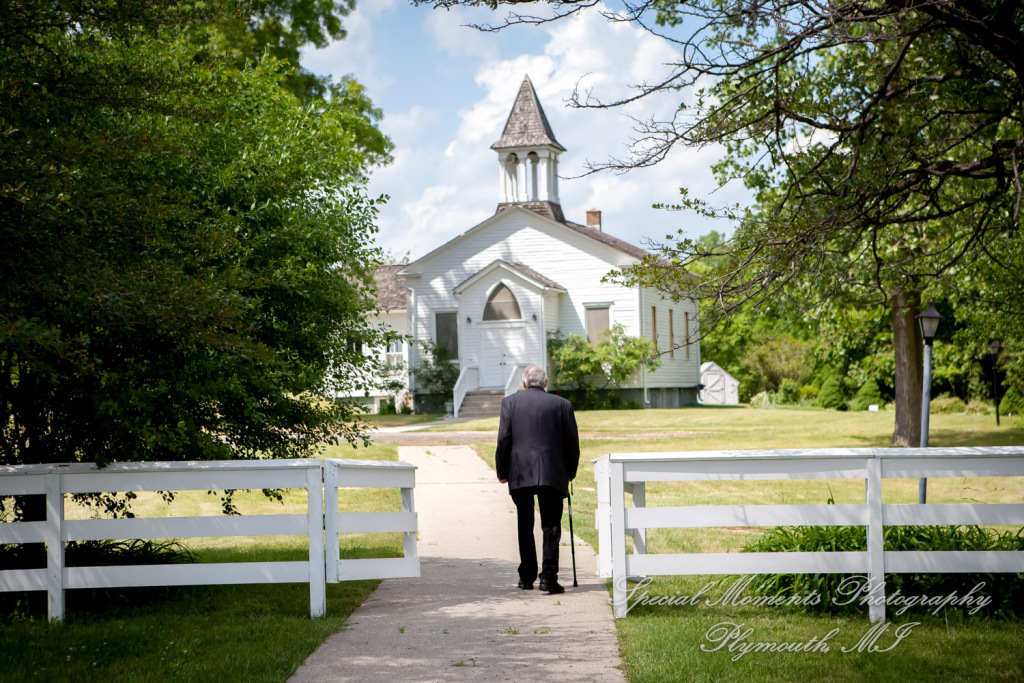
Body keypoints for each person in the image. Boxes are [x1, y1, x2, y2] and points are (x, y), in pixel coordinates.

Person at [495, 364, 580, 594]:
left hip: (520, 470)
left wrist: (502, 472)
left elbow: (504, 440)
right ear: (545, 382)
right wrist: (571, 471)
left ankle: (526, 577)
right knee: (551, 525)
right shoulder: (562, 405)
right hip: (553, 471)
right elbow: (572, 443)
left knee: (525, 522)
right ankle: (548, 578)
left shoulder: (509, 403)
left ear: (524, 383)